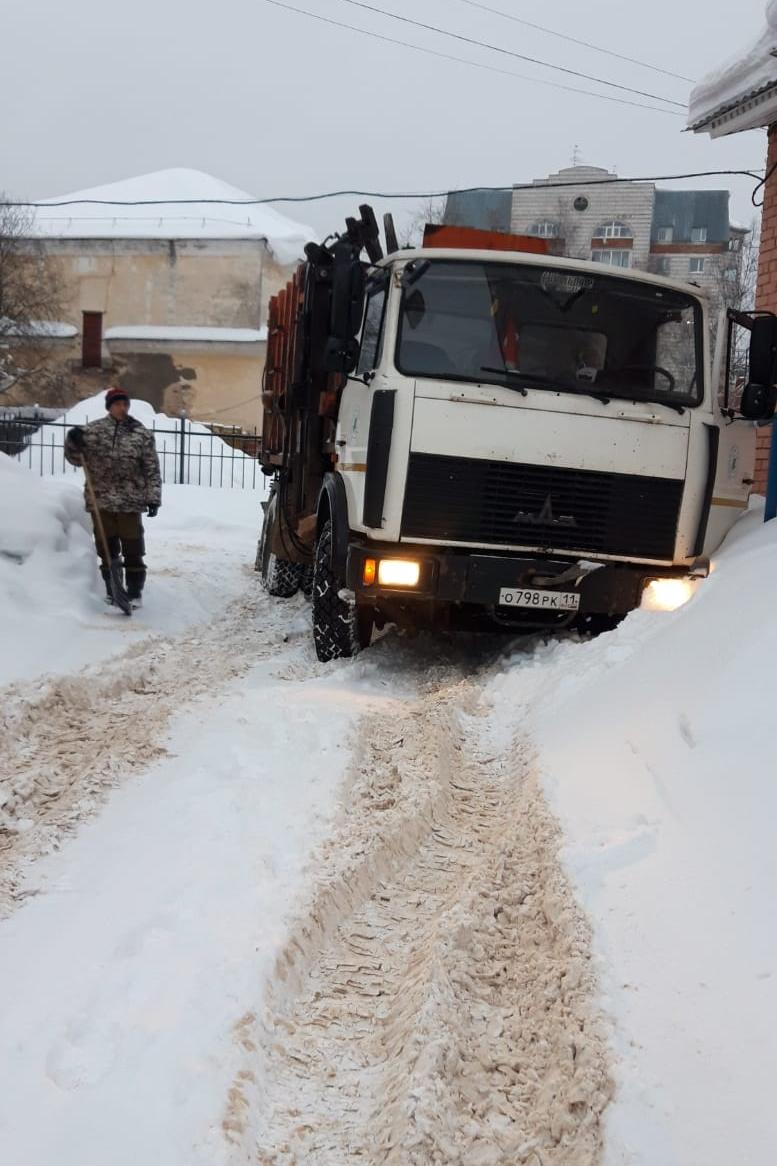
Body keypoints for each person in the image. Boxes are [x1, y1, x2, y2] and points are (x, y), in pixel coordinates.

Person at [65, 388, 162, 609]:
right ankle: (112, 590)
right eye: (117, 404)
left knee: (133, 548)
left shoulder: (141, 434)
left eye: (124, 404)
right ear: (109, 406)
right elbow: (75, 458)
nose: (122, 408)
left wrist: (153, 497)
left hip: (130, 501)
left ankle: (135, 592)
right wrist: (72, 440)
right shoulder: (94, 431)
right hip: (101, 501)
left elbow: (151, 469)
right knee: (106, 548)